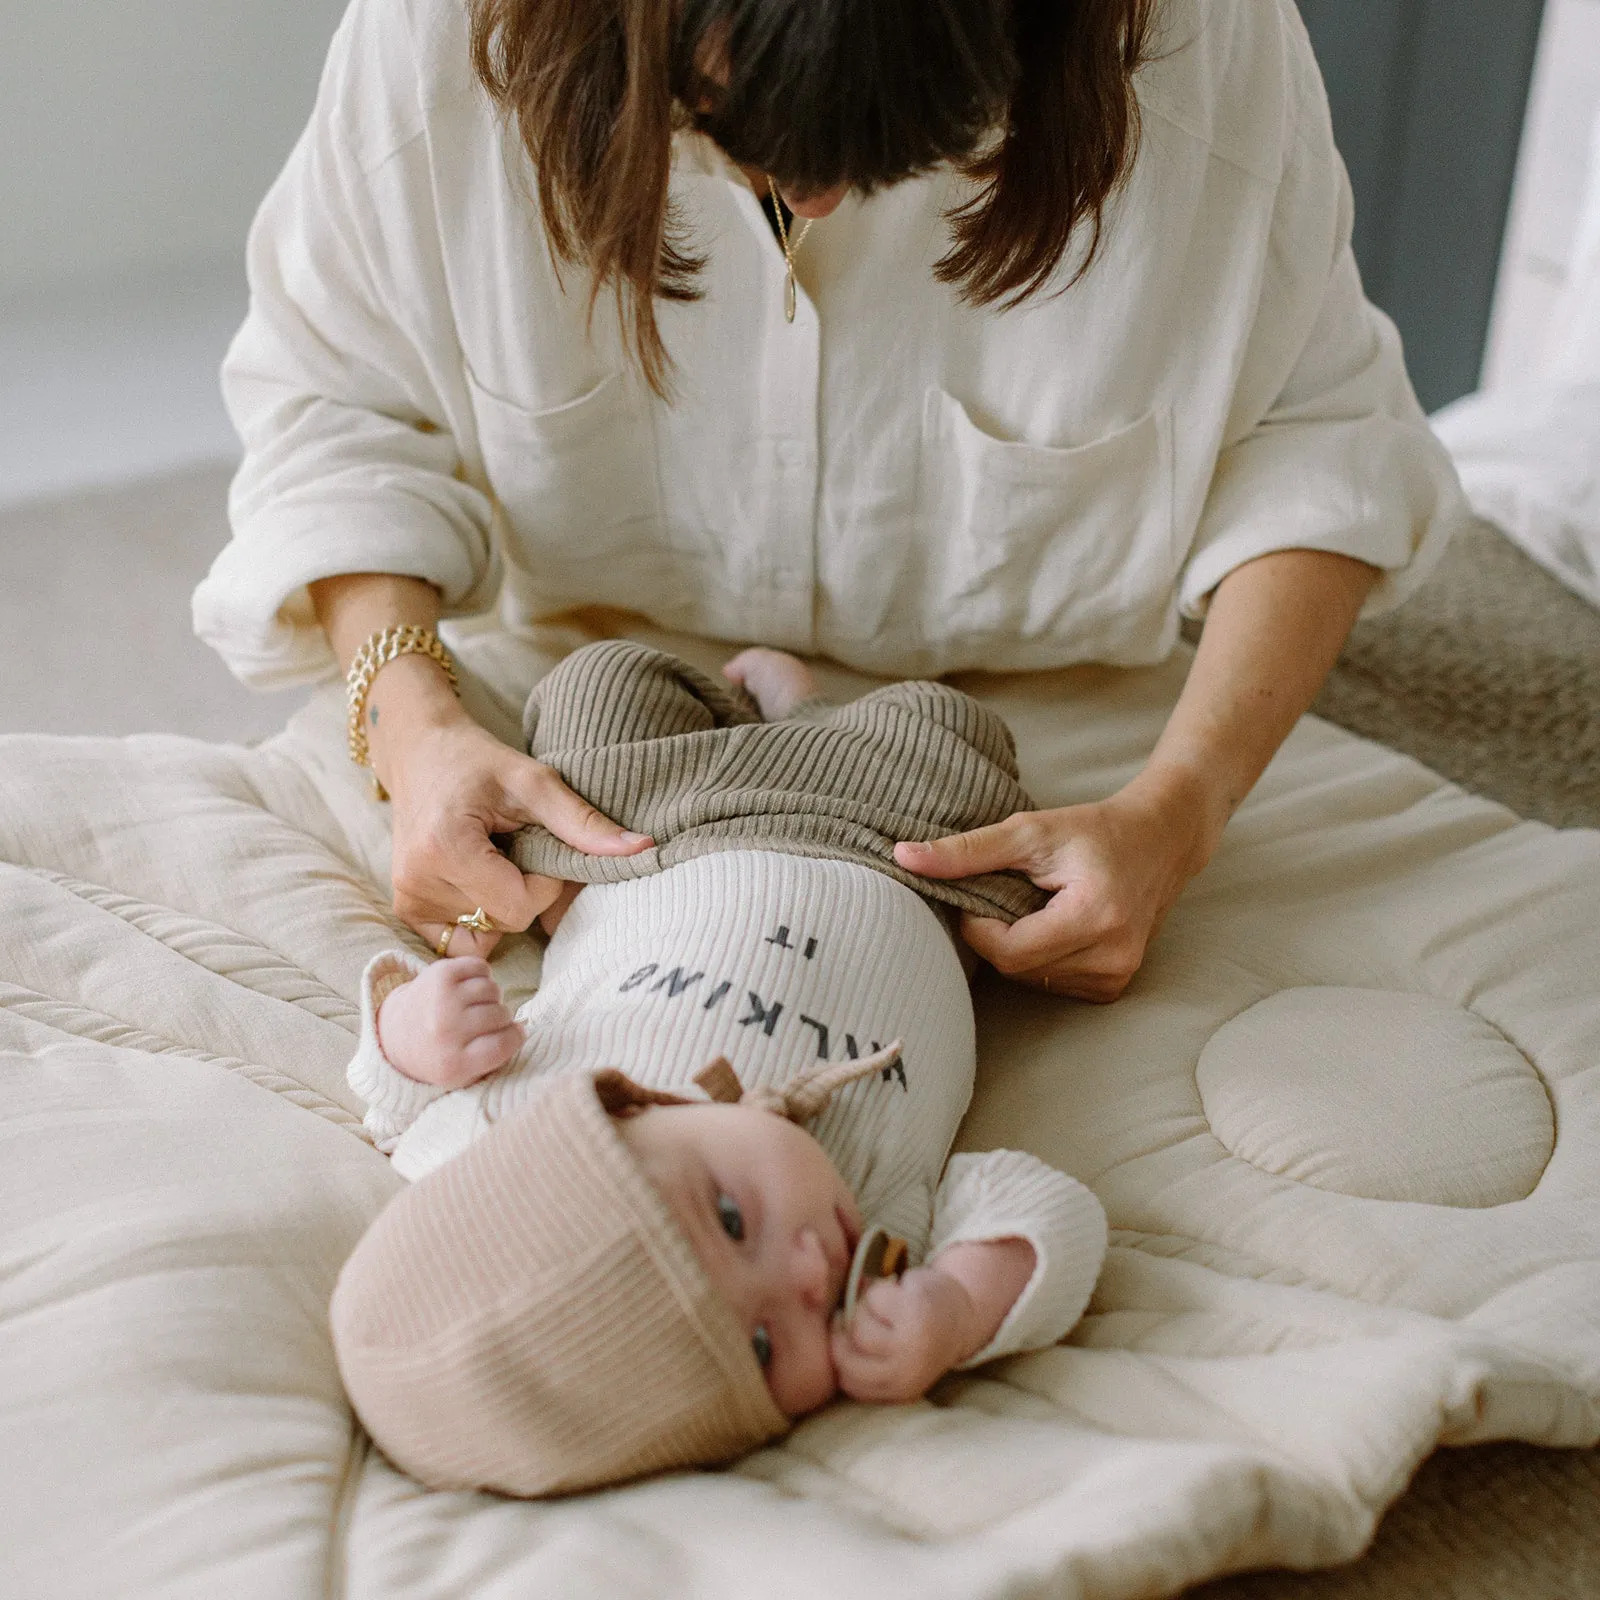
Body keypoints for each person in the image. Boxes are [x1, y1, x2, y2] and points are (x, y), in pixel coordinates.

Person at [193, 0, 1467, 1002]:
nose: (811, 203)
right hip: (556, 712)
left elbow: (1321, 447)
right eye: (742, 134)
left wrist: (1177, 815)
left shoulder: (1198, 41)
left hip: (1065, 760)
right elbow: (335, 406)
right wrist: (413, 727)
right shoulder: (444, 36)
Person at [329, 642, 1108, 1497]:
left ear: (620, 1115)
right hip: (901, 852)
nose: (807, 1270)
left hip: (656, 832)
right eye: (766, 1348)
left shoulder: (501, 1138)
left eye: (731, 1217)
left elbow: (396, 1104)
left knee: (601, 686)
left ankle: (759, 718)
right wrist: (958, 1310)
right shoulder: (875, 1260)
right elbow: (1045, 1210)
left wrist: (416, 1033)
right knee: (951, 730)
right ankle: (808, 720)